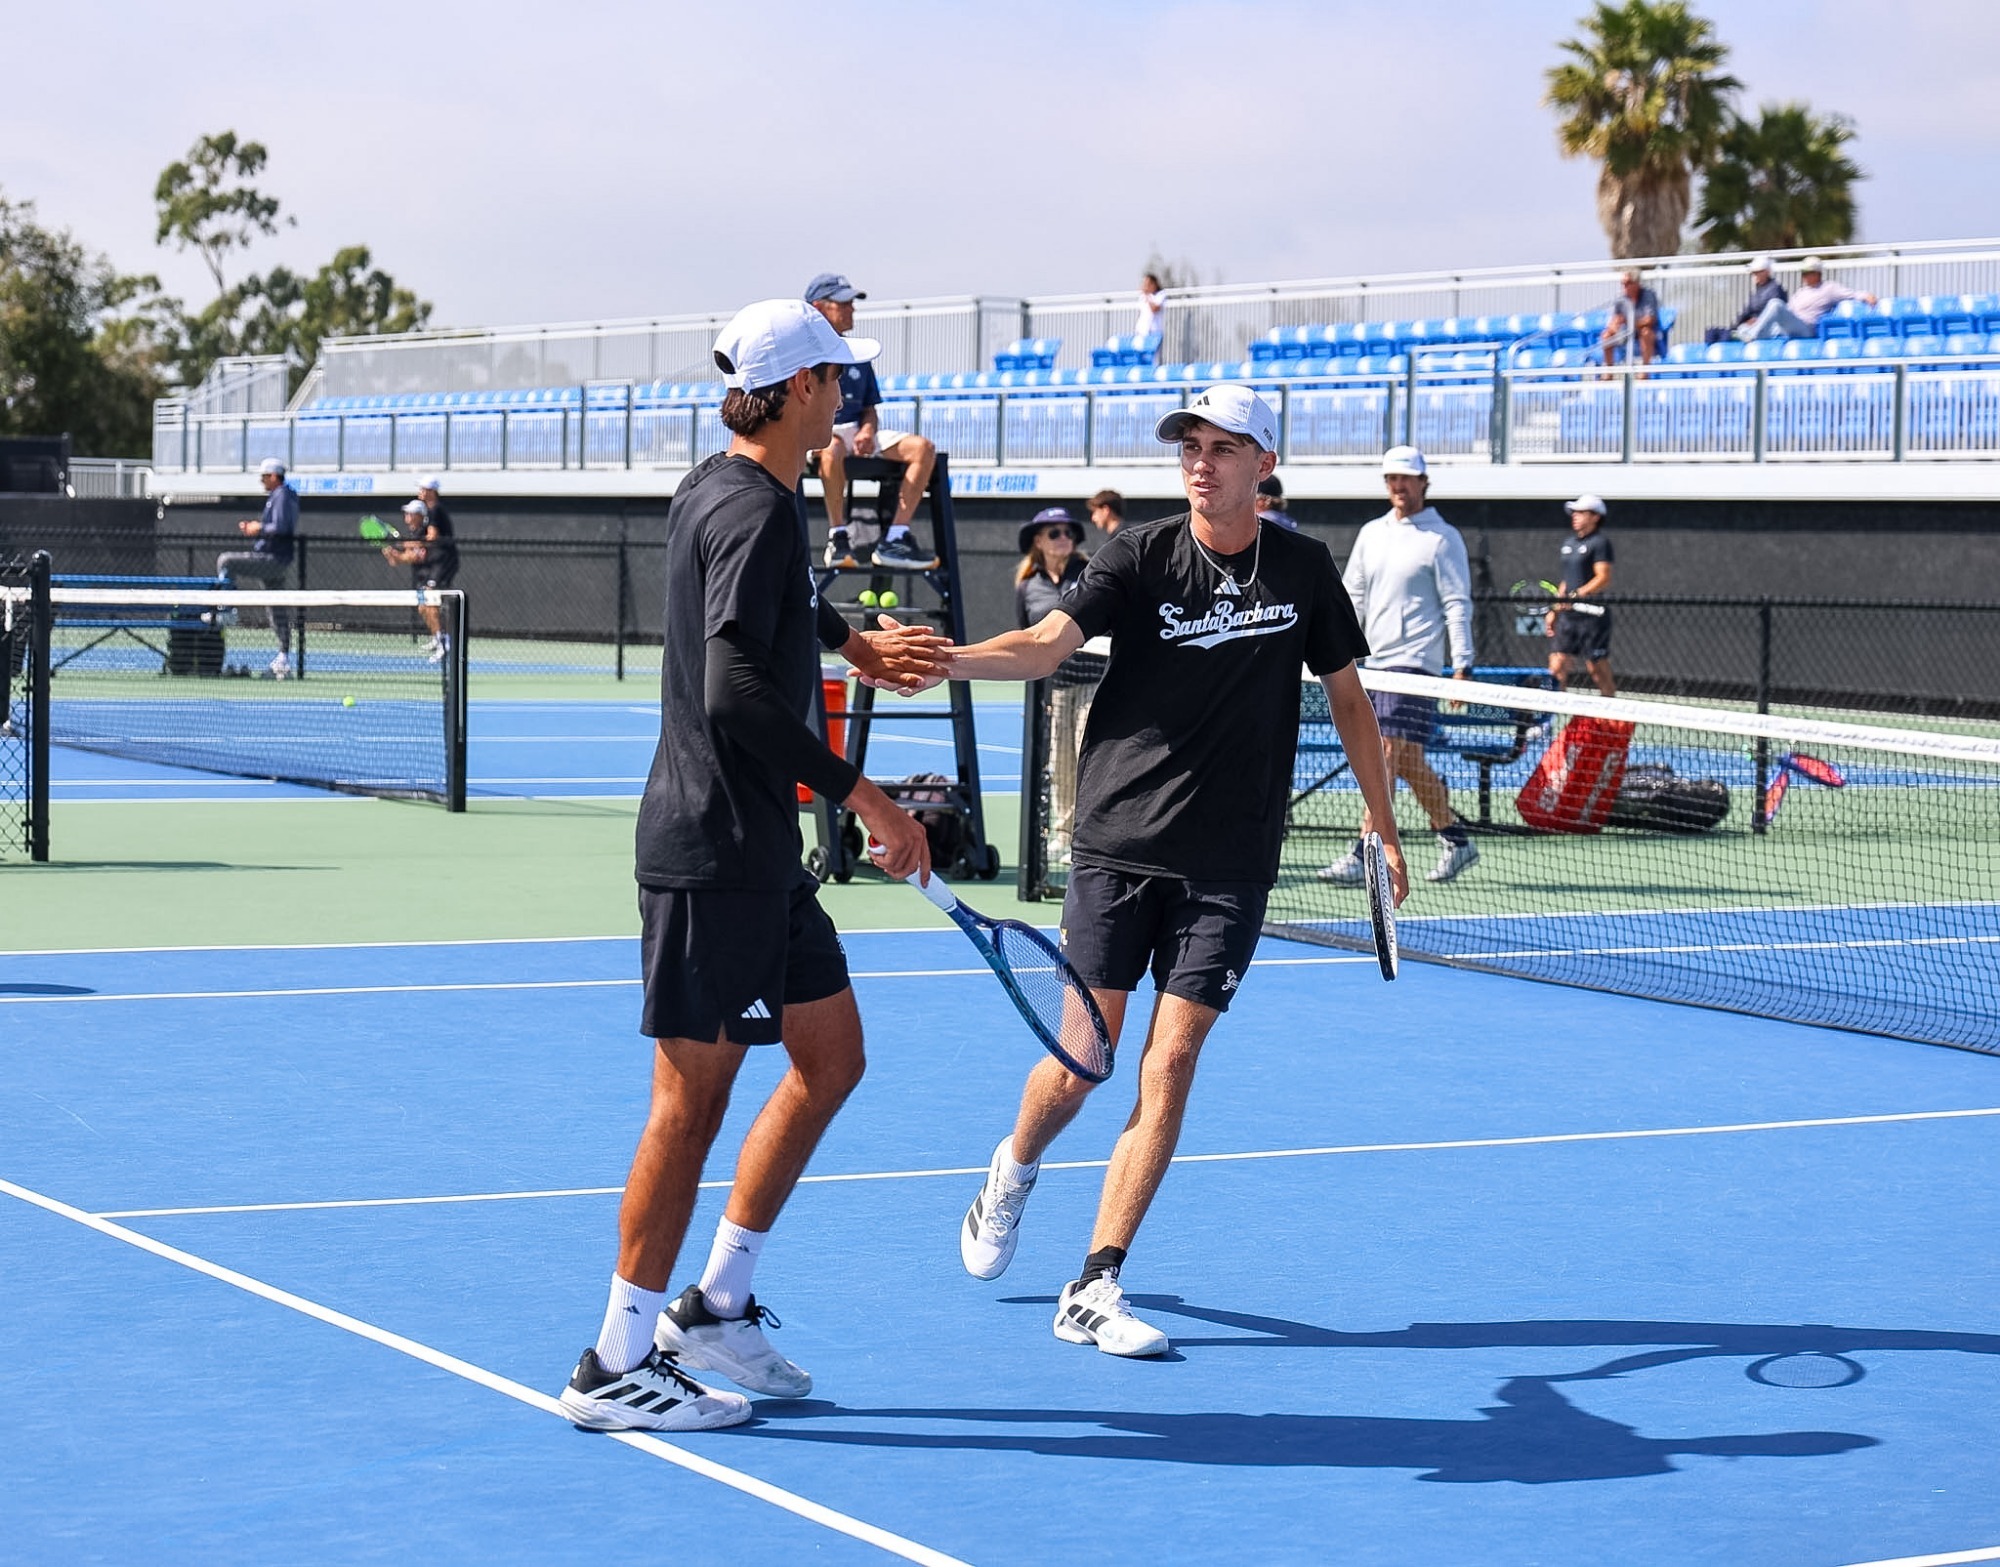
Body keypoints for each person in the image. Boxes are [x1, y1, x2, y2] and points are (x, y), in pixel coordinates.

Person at [927, 384, 1405, 1358]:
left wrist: (1381, 818)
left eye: (1223, 447)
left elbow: (1349, 700)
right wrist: (948, 659)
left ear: (1262, 465)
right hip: (1120, 842)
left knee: (1172, 1059)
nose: (1200, 461)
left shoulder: (1304, 568)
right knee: (1084, 1063)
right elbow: (1047, 645)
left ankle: (1096, 1280)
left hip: (1231, 858)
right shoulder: (1138, 555)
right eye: (1190, 444)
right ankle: (1011, 1170)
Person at [557, 298, 947, 1433]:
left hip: (756, 858)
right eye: (835, 379)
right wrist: (865, 795)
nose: (847, 397)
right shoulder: (758, 513)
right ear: (796, 393)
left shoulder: (725, 490)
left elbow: (766, 609)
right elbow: (733, 686)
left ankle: (715, 1302)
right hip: (714, 849)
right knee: (691, 1101)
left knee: (831, 1058)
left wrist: (849, 639)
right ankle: (611, 1363)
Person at [1317, 445, 1478, 887]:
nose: (1399, 486)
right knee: (1405, 762)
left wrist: (1462, 667)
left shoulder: (1443, 539)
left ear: (1424, 483)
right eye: (1392, 479)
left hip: (1417, 665)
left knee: (1383, 753)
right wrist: (1339, 651)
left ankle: (1362, 852)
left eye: (1407, 478)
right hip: (1376, 664)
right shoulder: (1372, 533)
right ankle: (1457, 838)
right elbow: (1353, 596)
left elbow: (1456, 605)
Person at [803, 273, 938, 569]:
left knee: (923, 448)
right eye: (843, 303)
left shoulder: (857, 353)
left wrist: (867, 430)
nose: (851, 309)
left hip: (853, 431)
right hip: (819, 434)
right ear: (818, 307)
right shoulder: (802, 352)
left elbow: (869, 408)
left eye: (851, 302)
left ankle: (895, 538)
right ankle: (838, 537)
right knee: (833, 447)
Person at [1015, 506, 1091, 862]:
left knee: (1087, 755)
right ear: (1038, 541)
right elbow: (1025, 638)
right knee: (1059, 762)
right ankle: (1063, 833)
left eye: (1068, 533)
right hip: (1056, 687)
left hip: (1096, 680)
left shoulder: (1091, 575)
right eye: (1054, 533)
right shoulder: (1028, 587)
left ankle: (1086, 836)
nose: (1064, 539)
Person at [216, 457, 298, 678]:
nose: (262, 481)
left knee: (226, 561)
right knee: (276, 606)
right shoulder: (282, 496)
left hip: (272, 559)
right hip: (277, 558)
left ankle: (227, 610)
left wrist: (257, 527)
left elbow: (280, 527)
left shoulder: (281, 495)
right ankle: (283, 656)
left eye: (264, 477)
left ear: (273, 476)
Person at [381, 477, 459, 661]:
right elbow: (408, 556)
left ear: (431, 491)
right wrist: (395, 555)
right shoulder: (422, 522)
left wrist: (412, 545)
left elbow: (432, 538)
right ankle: (438, 637)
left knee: (431, 602)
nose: (420, 491)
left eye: (423, 488)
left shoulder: (435, 510)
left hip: (442, 562)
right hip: (429, 566)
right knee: (423, 606)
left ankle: (444, 642)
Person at [1546, 494, 1616, 696]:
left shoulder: (1600, 543)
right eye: (1573, 512)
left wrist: (1578, 594)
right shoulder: (1569, 543)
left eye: (1580, 512)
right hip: (1568, 618)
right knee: (1556, 667)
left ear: (1595, 517)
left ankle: (1610, 719)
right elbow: (1566, 580)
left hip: (1592, 616)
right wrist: (1555, 610)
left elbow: (1603, 577)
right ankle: (1549, 722)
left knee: (1596, 670)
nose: (1574, 516)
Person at [1738, 257, 1876, 341]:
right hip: (1791, 326)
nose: (1804, 276)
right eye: (1803, 273)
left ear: (1817, 273)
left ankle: (1754, 336)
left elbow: (1850, 294)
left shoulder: (1829, 288)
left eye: (1808, 273)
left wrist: (1866, 295)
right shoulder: (1801, 291)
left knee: (1775, 304)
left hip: (1806, 328)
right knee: (1743, 328)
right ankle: (1754, 334)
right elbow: (1789, 311)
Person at [1706, 256, 1786, 345]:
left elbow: (1774, 314)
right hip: (1750, 327)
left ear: (1767, 272)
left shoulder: (1775, 289)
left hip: (1768, 329)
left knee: (1743, 332)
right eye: (1753, 273)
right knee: (1716, 333)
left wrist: (1758, 320)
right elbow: (1746, 312)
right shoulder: (1757, 292)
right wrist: (1734, 327)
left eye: (1757, 272)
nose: (1754, 275)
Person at [1600, 269, 1661, 367]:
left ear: (1636, 283)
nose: (1624, 286)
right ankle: (1608, 372)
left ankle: (1644, 372)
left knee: (1646, 333)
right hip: (1624, 332)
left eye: (1627, 283)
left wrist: (1631, 323)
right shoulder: (1620, 298)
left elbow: (1650, 319)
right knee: (1606, 335)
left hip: (1640, 331)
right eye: (1622, 283)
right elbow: (1614, 319)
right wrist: (1615, 327)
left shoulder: (1648, 295)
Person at [1135, 272, 1166, 341]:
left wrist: (1148, 296)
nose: (1145, 286)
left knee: (1154, 351)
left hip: (1154, 330)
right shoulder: (1142, 296)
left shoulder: (1160, 295)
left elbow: (1155, 309)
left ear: (1154, 284)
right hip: (1142, 330)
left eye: (1148, 284)